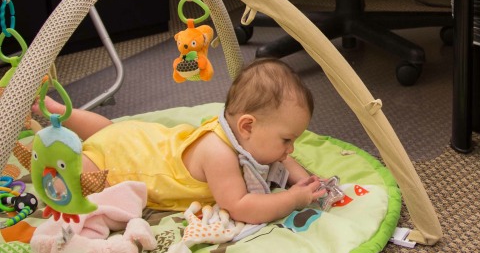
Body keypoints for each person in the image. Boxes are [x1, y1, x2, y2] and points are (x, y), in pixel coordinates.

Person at [39, 59, 326, 226]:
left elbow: (282, 160)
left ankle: (54, 108)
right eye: (287, 139)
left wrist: (310, 182)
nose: (290, 150)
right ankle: (51, 125)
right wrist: (293, 198)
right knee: (81, 177)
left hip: (138, 138)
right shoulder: (219, 154)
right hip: (123, 162)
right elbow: (242, 207)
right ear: (247, 125)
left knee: (110, 130)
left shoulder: (245, 137)